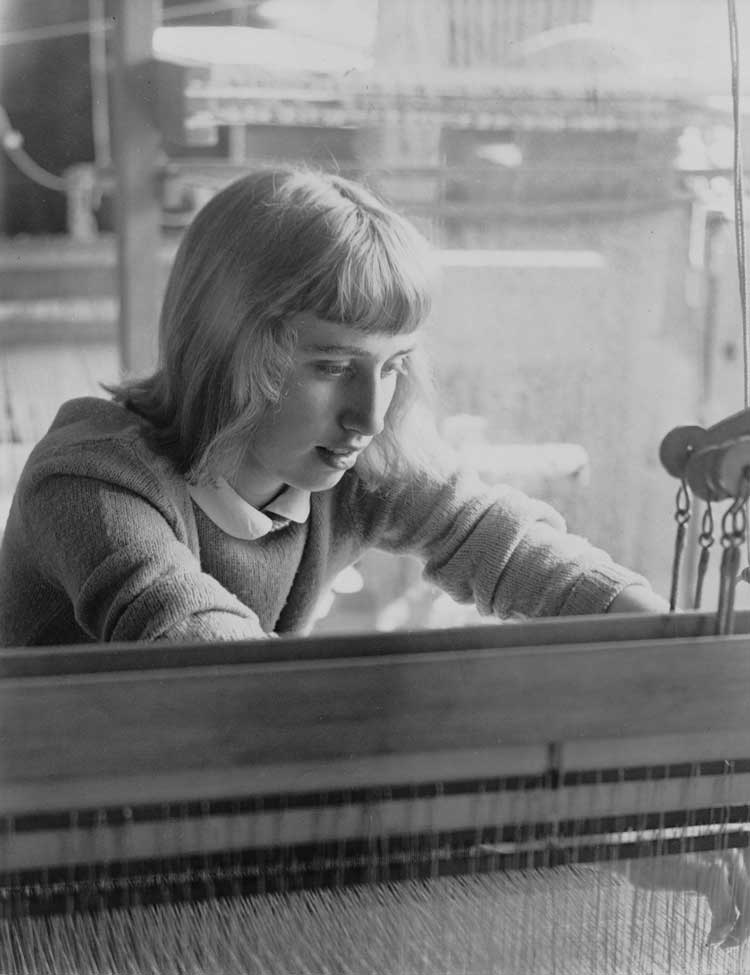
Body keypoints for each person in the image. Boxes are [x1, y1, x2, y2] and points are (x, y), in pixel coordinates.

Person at [0, 165, 745, 947]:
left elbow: (511, 545)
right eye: (330, 365)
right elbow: (236, 691)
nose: (368, 411)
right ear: (225, 351)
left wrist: (697, 679)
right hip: (47, 890)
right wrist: (598, 817)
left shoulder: (356, 458)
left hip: (191, 852)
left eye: (392, 364)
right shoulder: (90, 483)